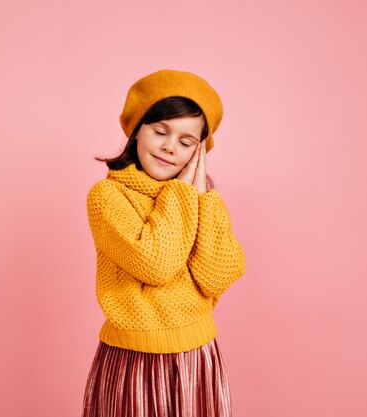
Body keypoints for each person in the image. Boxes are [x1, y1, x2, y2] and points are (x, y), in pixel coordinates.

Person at [81, 69, 246, 417]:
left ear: (198, 152)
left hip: (198, 356)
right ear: (137, 128)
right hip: (134, 360)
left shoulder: (201, 198)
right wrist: (183, 194)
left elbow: (217, 275)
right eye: (160, 131)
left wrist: (203, 199)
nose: (170, 147)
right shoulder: (108, 197)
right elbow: (156, 264)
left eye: (187, 142)